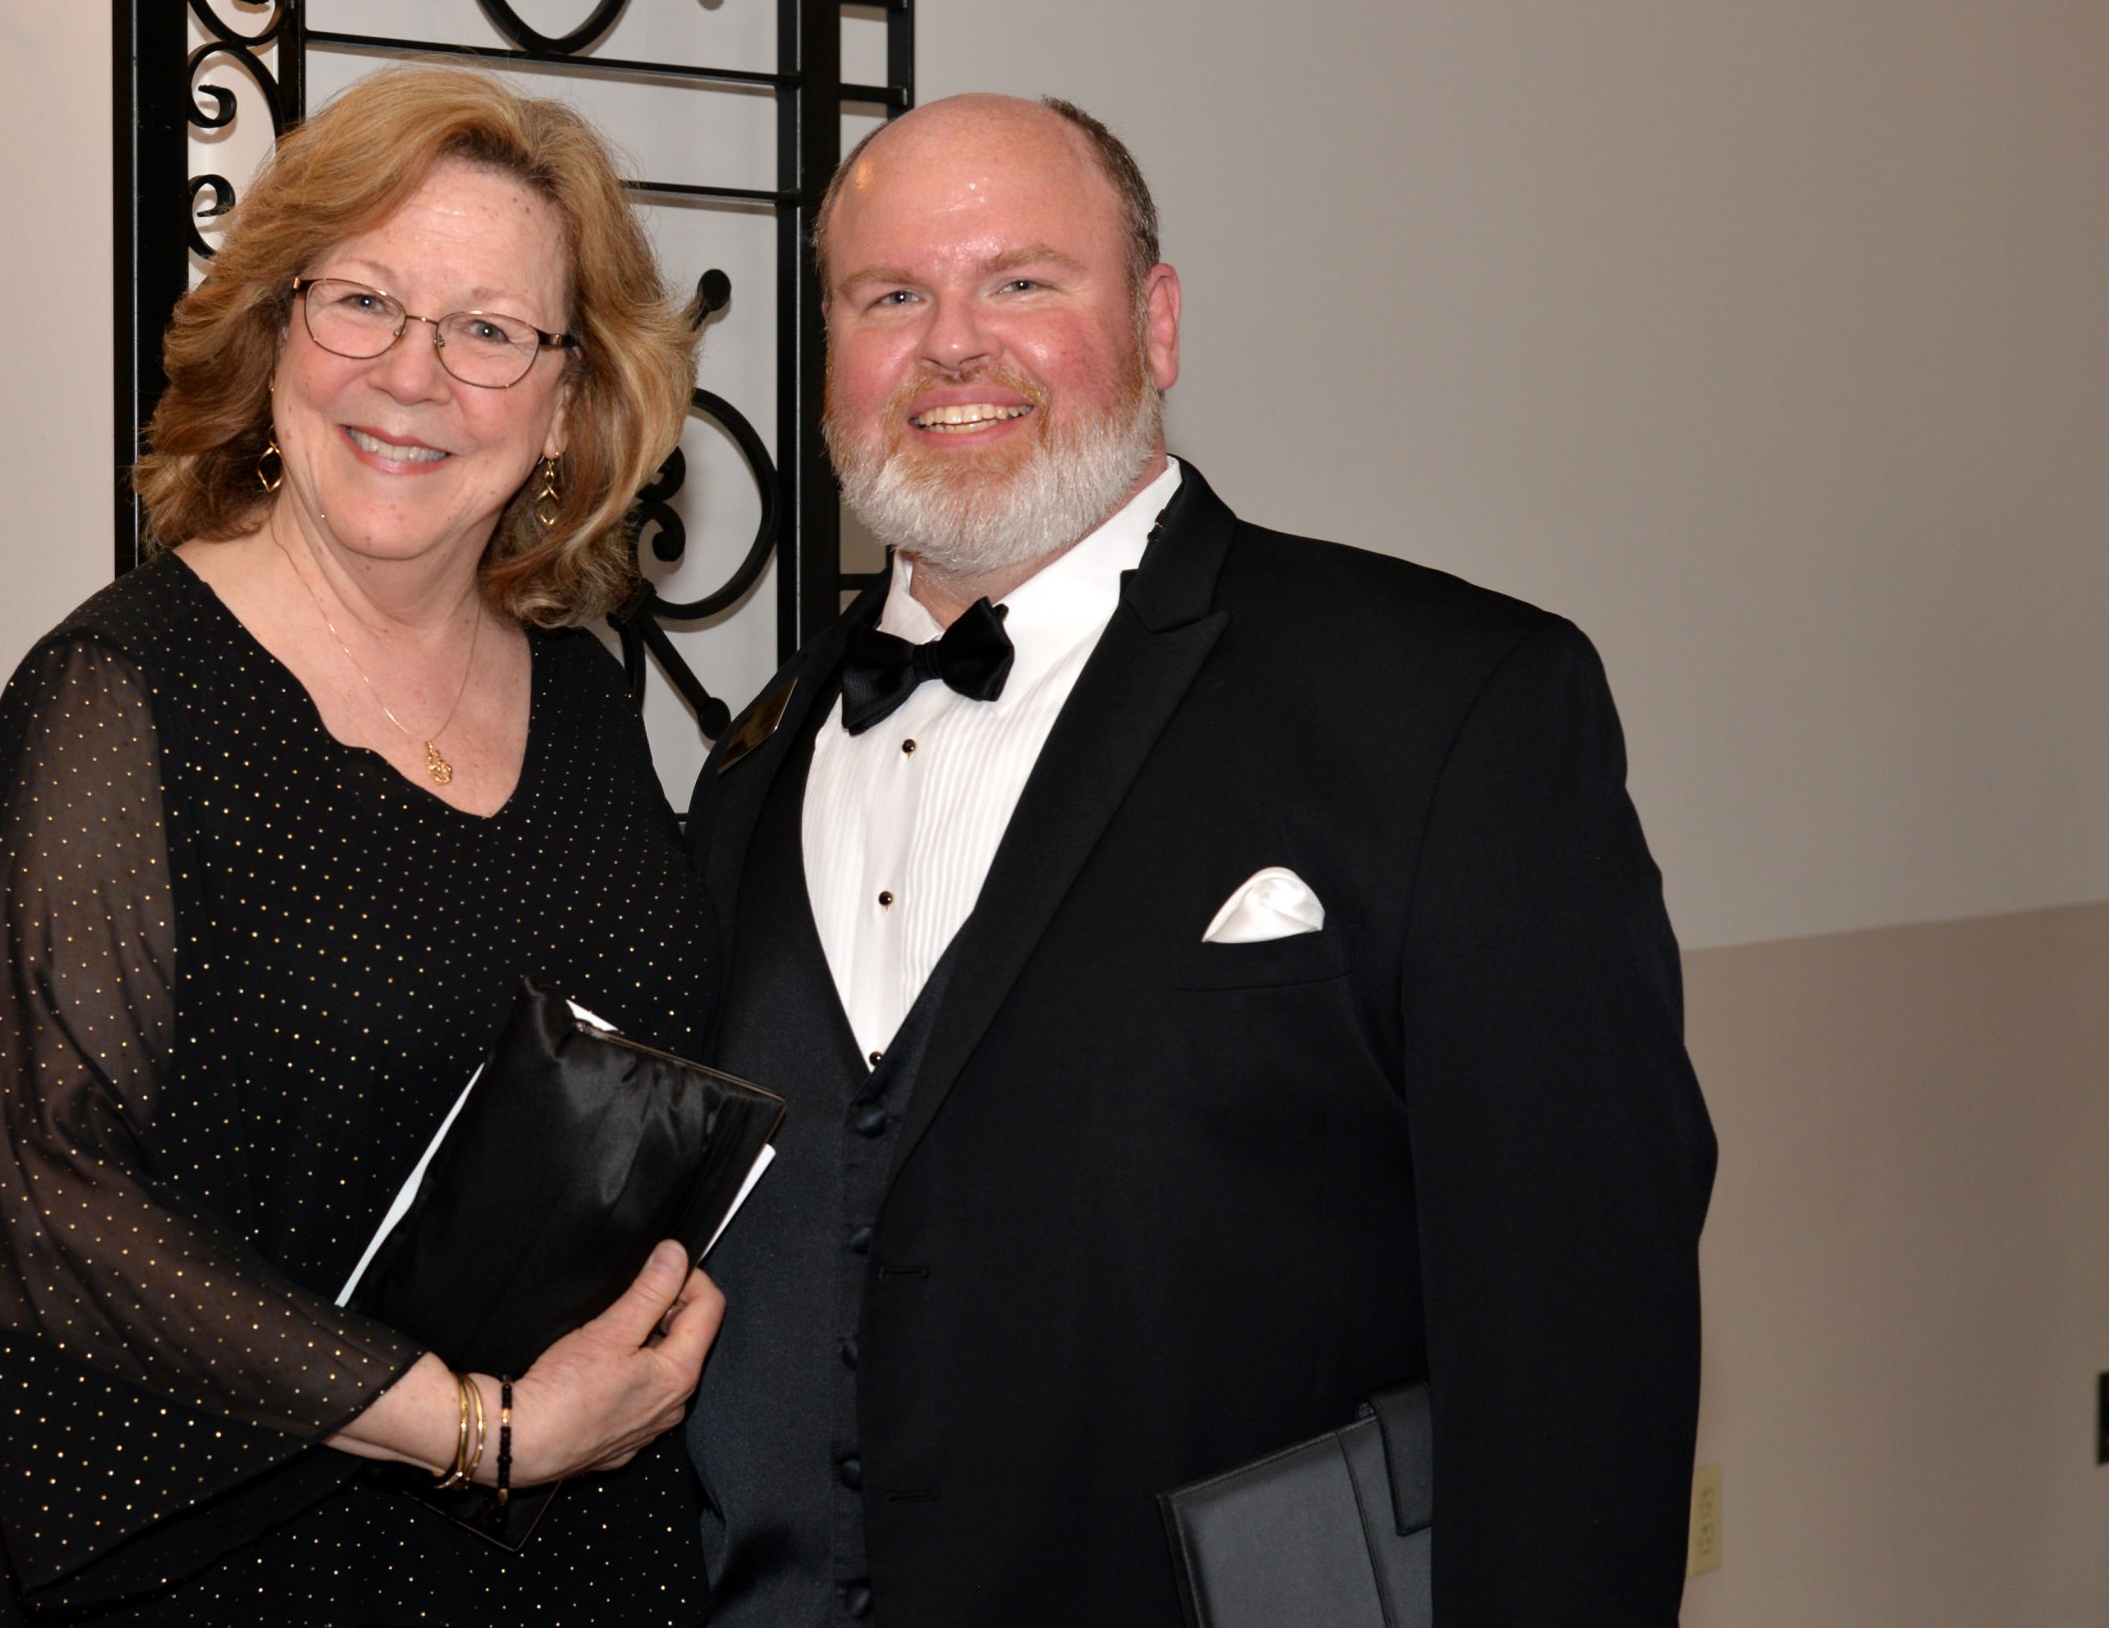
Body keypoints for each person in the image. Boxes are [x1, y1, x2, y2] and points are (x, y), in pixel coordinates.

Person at [682, 93, 1718, 1626]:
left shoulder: (1450, 706)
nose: (953, 344)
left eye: (1022, 282)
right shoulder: (745, 774)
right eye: (890, 296)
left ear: (1157, 323)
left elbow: (1581, 1335)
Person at [0, 66, 726, 1626]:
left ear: (569, 406)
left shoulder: (586, 701)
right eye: (362, 301)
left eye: (489, 331)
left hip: (589, 1548)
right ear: (275, 330)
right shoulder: (117, 697)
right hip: (262, 1569)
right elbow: (51, 1204)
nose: (411, 376)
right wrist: (479, 1431)